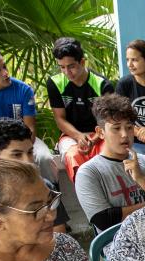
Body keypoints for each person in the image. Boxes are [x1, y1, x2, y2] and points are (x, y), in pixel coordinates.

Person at [0, 43, 57, 184]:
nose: (5, 73)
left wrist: (14, 152)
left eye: (4, 66)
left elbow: (30, 130)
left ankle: (53, 194)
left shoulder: (24, 90)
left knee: (44, 158)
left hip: (22, 140)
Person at [0, 118, 69, 237]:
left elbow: (58, 237)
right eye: (17, 154)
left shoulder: (44, 187)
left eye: (30, 152)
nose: (27, 161)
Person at [74, 94, 145, 232]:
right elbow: (104, 220)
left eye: (129, 128)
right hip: (118, 248)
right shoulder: (88, 172)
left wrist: (140, 178)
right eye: (116, 128)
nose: (124, 134)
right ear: (101, 132)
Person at [47, 37, 116, 183]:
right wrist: (79, 137)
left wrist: (94, 138)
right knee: (72, 155)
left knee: (109, 155)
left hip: (101, 134)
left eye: (71, 66)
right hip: (70, 135)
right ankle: (86, 197)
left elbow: (110, 120)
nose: (67, 72)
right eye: (62, 67)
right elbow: (60, 119)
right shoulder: (55, 83)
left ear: (82, 62)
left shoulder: (101, 84)